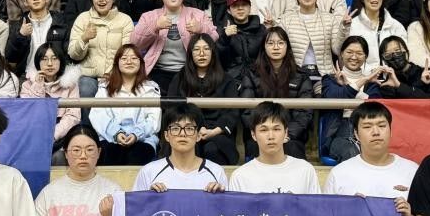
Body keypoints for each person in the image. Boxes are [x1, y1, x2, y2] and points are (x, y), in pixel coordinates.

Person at [236, 26, 314, 159]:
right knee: (256, 148)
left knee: (293, 148)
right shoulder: (251, 74)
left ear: (287, 47)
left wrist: (286, 134)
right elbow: (247, 111)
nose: (276, 47)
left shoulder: (301, 76)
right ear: (264, 47)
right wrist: (264, 132)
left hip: (291, 135)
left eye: (280, 43)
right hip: (260, 135)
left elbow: (304, 113)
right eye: (270, 43)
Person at [129, 0, 218, 83]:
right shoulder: (149, 16)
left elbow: (215, 37)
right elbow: (135, 44)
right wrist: (154, 26)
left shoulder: (198, 15)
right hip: (157, 72)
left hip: (190, 72)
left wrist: (201, 29)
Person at [165, 33, 238, 164]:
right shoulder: (180, 78)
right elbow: (172, 109)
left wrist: (214, 131)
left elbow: (232, 112)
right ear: (190, 54)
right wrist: (191, 129)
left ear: (213, 52)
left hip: (218, 132)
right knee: (188, 146)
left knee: (213, 149)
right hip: (185, 131)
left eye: (206, 49)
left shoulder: (227, 79)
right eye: (196, 49)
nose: (202, 53)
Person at [90, 44, 161, 165]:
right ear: (117, 63)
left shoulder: (151, 88)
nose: (129, 61)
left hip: (143, 139)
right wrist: (117, 134)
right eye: (124, 58)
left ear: (141, 63)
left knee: (137, 155)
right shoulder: (105, 87)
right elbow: (98, 115)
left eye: (134, 58)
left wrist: (136, 134)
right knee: (111, 155)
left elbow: (153, 119)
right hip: (109, 139)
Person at [67, 0, 133, 100]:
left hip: (117, 74)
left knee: (117, 94)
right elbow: (73, 55)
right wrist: (84, 38)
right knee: (86, 89)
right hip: (89, 75)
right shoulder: (83, 18)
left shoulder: (125, 20)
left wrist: (113, 73)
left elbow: (127, 53)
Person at [321, 36, 384, 161]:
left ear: (365, 57)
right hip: (338, 134)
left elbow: (374, 109)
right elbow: (334, 97)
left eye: (359, 53)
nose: (354, 57)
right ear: (341, 54)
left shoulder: (372, 82)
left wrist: (349, 85)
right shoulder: (330, 79)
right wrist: (362, 81)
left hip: (368, 131)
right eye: (349, 52)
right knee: (352, 152)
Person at [280, 0, 345, 86]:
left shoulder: (329, 19)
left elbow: (337, 50)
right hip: (295, 75)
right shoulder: (286, 20)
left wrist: (344, 28)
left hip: (325, 75)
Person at [21, 43, 81, 158]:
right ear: (37, 62)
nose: (49, 63)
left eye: (54, 58)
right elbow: (30, 114)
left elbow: (73, 116)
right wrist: (38, 86)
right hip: (35, 132)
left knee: (59, 156)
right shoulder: (27, 85)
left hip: (61, 135)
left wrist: (53, 134)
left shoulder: (70, 85)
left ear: (61, 61)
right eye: (44, 59)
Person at [7, 0, 70, 79]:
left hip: (55, 76)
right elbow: (10, 58)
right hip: (27, 76)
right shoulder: (19, 25)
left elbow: (68, 54)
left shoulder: (61, 23)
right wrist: (20, 36)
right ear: (25, 2)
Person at [351, 0, 408, 66]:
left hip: (391, 73)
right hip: (363, 73)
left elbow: (404, 55)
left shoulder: (395, 25)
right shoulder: (353, 25)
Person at [372, 35, 430, 100]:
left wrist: (400, 86)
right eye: (388, 55)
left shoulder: (429, 74)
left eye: (398, 51)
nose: (394, 56)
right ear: (384, 60)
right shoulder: (387, 84)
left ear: (407, 52)